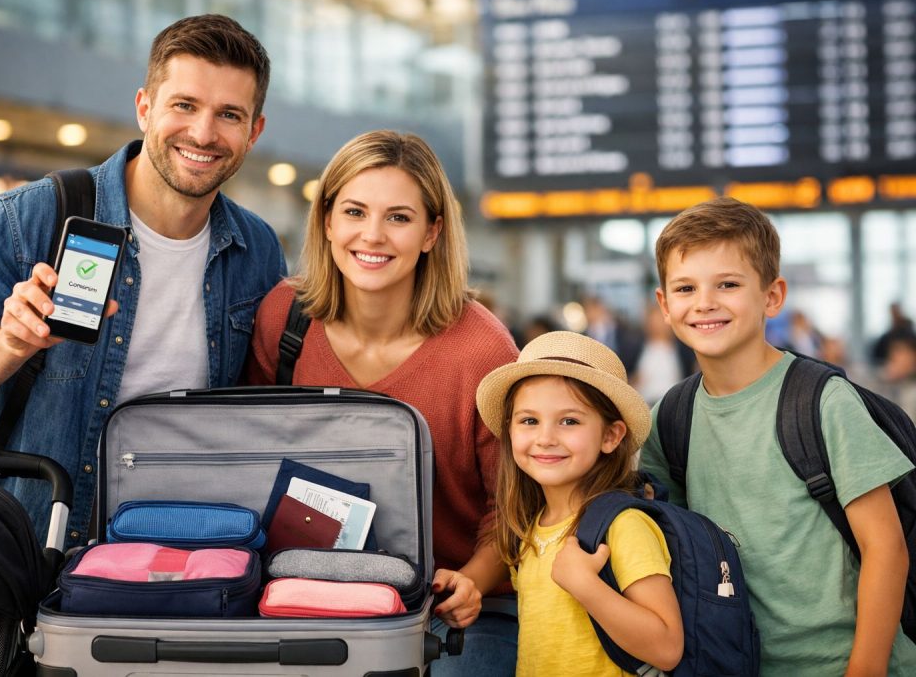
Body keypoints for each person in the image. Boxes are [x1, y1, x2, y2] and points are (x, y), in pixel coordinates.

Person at [0, 14, 286, 548]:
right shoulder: (28, 217)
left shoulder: (257, 250)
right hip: (26, 557)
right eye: (184, 105)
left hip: (181, 562)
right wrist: (7, 345)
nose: (203, 133)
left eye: (229, 114)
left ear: (253, 131)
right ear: (145, 107)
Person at [243, 129, 520, 675]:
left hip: (459, 603)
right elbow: (250, 456)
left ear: (431, 232)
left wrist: (475, 579)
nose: (372, 235)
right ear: (326, 220)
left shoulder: (482, 349)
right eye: (354, 211)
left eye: (398, 217)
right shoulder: (284, 319)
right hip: (315, 591)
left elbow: (512, 505)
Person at [639, 196, 916, 675]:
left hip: (842, 662)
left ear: (772, 296)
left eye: (727, 284)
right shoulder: (671, 417)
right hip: (736, 663)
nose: (704, 302)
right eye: (685, 288)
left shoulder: (821, 400)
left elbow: (885, 547)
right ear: (664, 305)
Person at [451, 330, 683, 676]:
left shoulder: (623, 525)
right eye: (529, 420)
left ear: (610, 436)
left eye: (569, 421)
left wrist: (586, 585)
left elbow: (666, 647)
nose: (545, 438)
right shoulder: (529, 527)